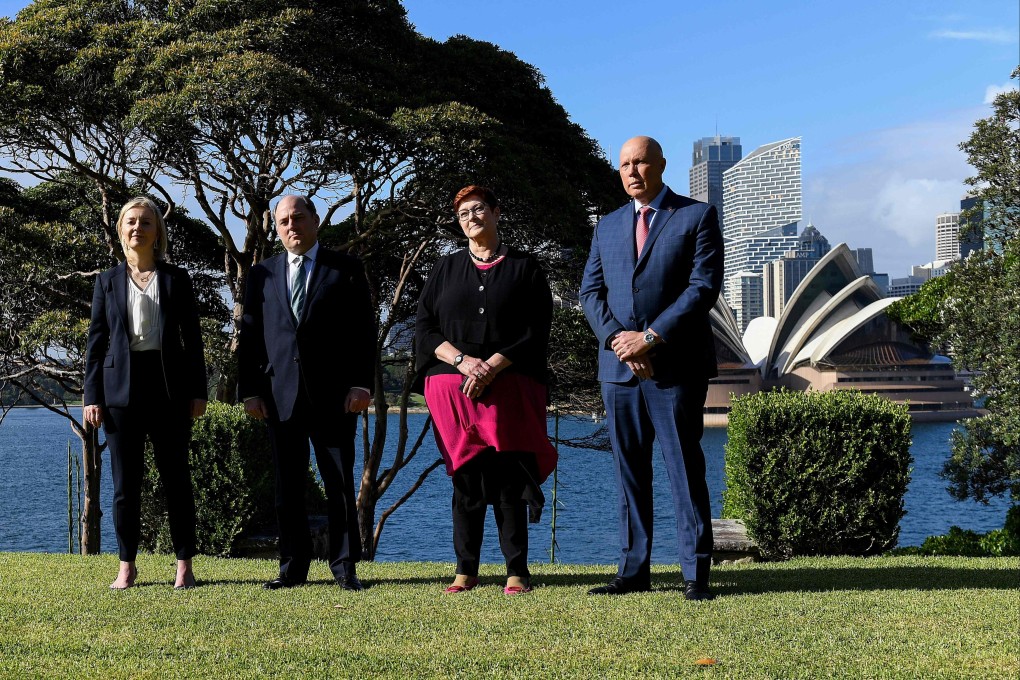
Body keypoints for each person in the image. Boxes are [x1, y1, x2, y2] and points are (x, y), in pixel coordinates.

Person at [580, 136, 724, 600]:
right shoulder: (606, 227)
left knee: (684, 467)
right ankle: (633, 570)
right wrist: (619, 342)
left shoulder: (696, 216)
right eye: (623, 164)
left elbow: (702, 288)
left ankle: (695, 574)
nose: (631, 171)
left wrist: (650, 338)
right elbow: (590, 293)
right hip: (618, 370)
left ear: (661, 164)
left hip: (676, 366)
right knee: (630, 472)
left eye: (640, 161)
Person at [415, 185, 557, 596]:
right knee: (466, 479)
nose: (471, 218)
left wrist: (491, 365)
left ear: (497, 212)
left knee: (510, 477)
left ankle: (517, 571)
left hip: (508, 388)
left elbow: (535, 331)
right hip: (453, 391)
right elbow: (425, 330)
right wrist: (463, 362)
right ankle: (466, 570)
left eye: (478, 210)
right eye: (463, 214)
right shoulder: (444, 269)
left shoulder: (526, 268)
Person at [238, 195, 376, 591]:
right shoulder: (262, 274)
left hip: (335, 396)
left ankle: (345, 567)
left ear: (315, 220)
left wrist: (361, 384)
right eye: (283, 221)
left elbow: (364, 333)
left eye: (298, 217)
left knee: (339, 484)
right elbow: (251, 338)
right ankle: (292, 568)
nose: (291, 226)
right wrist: (250, 391)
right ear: (276, 228)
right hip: (279, 398)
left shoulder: (346, 269)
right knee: (288, 487)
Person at [83, 197, 207, 590]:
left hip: (169, 387)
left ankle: (184, 564)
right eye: (131, 222)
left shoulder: (177, 280)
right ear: (121, 230)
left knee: (176, 480)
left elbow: (193, 341)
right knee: (125, 486)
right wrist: (91, 396)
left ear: (158, 233)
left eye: (146, 222)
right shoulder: (106, 281)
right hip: (120, 391)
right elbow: (96, 343)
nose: (138, 228)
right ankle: (126, 566)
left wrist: (199, 391)